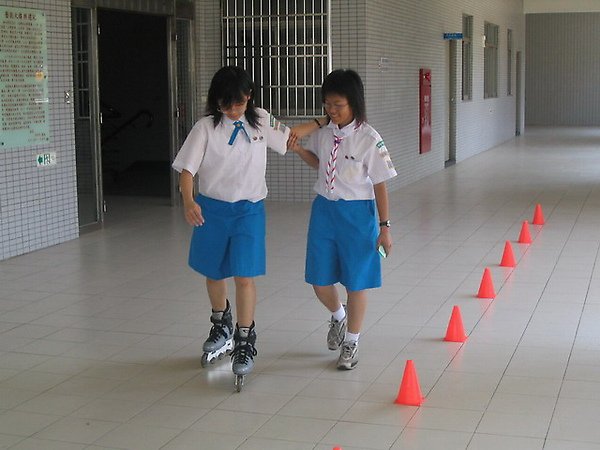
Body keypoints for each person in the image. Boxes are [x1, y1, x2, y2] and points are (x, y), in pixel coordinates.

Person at [172, 66, 323, 384]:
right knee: (213, 272)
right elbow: (187, 170)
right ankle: (221, 323)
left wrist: (323, 123)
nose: (232, 110)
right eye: (226, 104)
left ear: (249, 97)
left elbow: (292, 138)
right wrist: (188, 201)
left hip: (249, 211)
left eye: (238, 103)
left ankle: (244, 338)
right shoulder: (205, 127)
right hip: (211, 210)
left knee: (244, 275)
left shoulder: (261, 119)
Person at [290, 69, 397, 370]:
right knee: (319, 280)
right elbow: (319, 162)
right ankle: (338, 316)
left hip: (357, 215)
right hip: (324, 211)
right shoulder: (324, 133)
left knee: (356, 281)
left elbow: (380, 184)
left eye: (338, 104)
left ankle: (352, 340)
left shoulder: (369, 139)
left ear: (354, 103)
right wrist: (299, 148)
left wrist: (384, 228)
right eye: (327, 104)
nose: (331, 110)